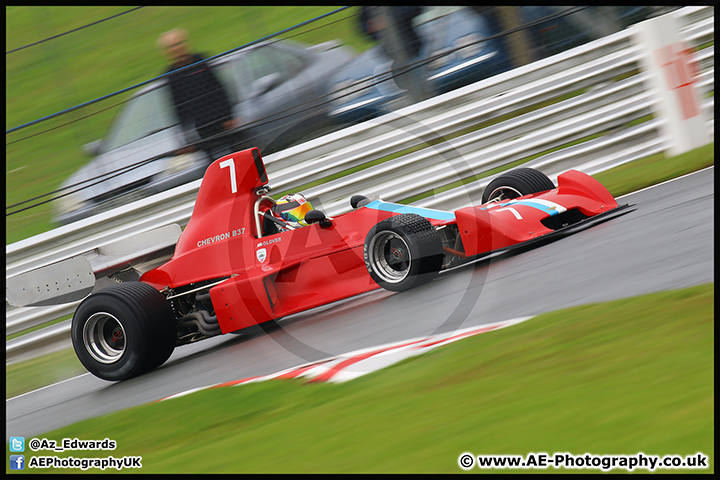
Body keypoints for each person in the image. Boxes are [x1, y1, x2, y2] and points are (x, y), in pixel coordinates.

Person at [157, 28, 238, 160]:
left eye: (179, 43)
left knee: (236, 155)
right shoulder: (170, 76)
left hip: (222, 121)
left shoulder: (201, 61)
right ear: (166, 51)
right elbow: (177, 107)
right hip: (200, 130)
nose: (177, 48)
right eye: (172, 46)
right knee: (213, 164)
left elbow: (220, 88)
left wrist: (229, 116)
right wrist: (187, 136)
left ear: (186, 44)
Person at [359, 6, 429, 104]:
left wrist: (388, 20)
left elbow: (415, 9)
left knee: (420, 84)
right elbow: (364, 27)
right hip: (390, 56)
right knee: (403, 89)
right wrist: (377, 26)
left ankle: (423, 101)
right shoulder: (368, 8)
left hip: (413, 47)